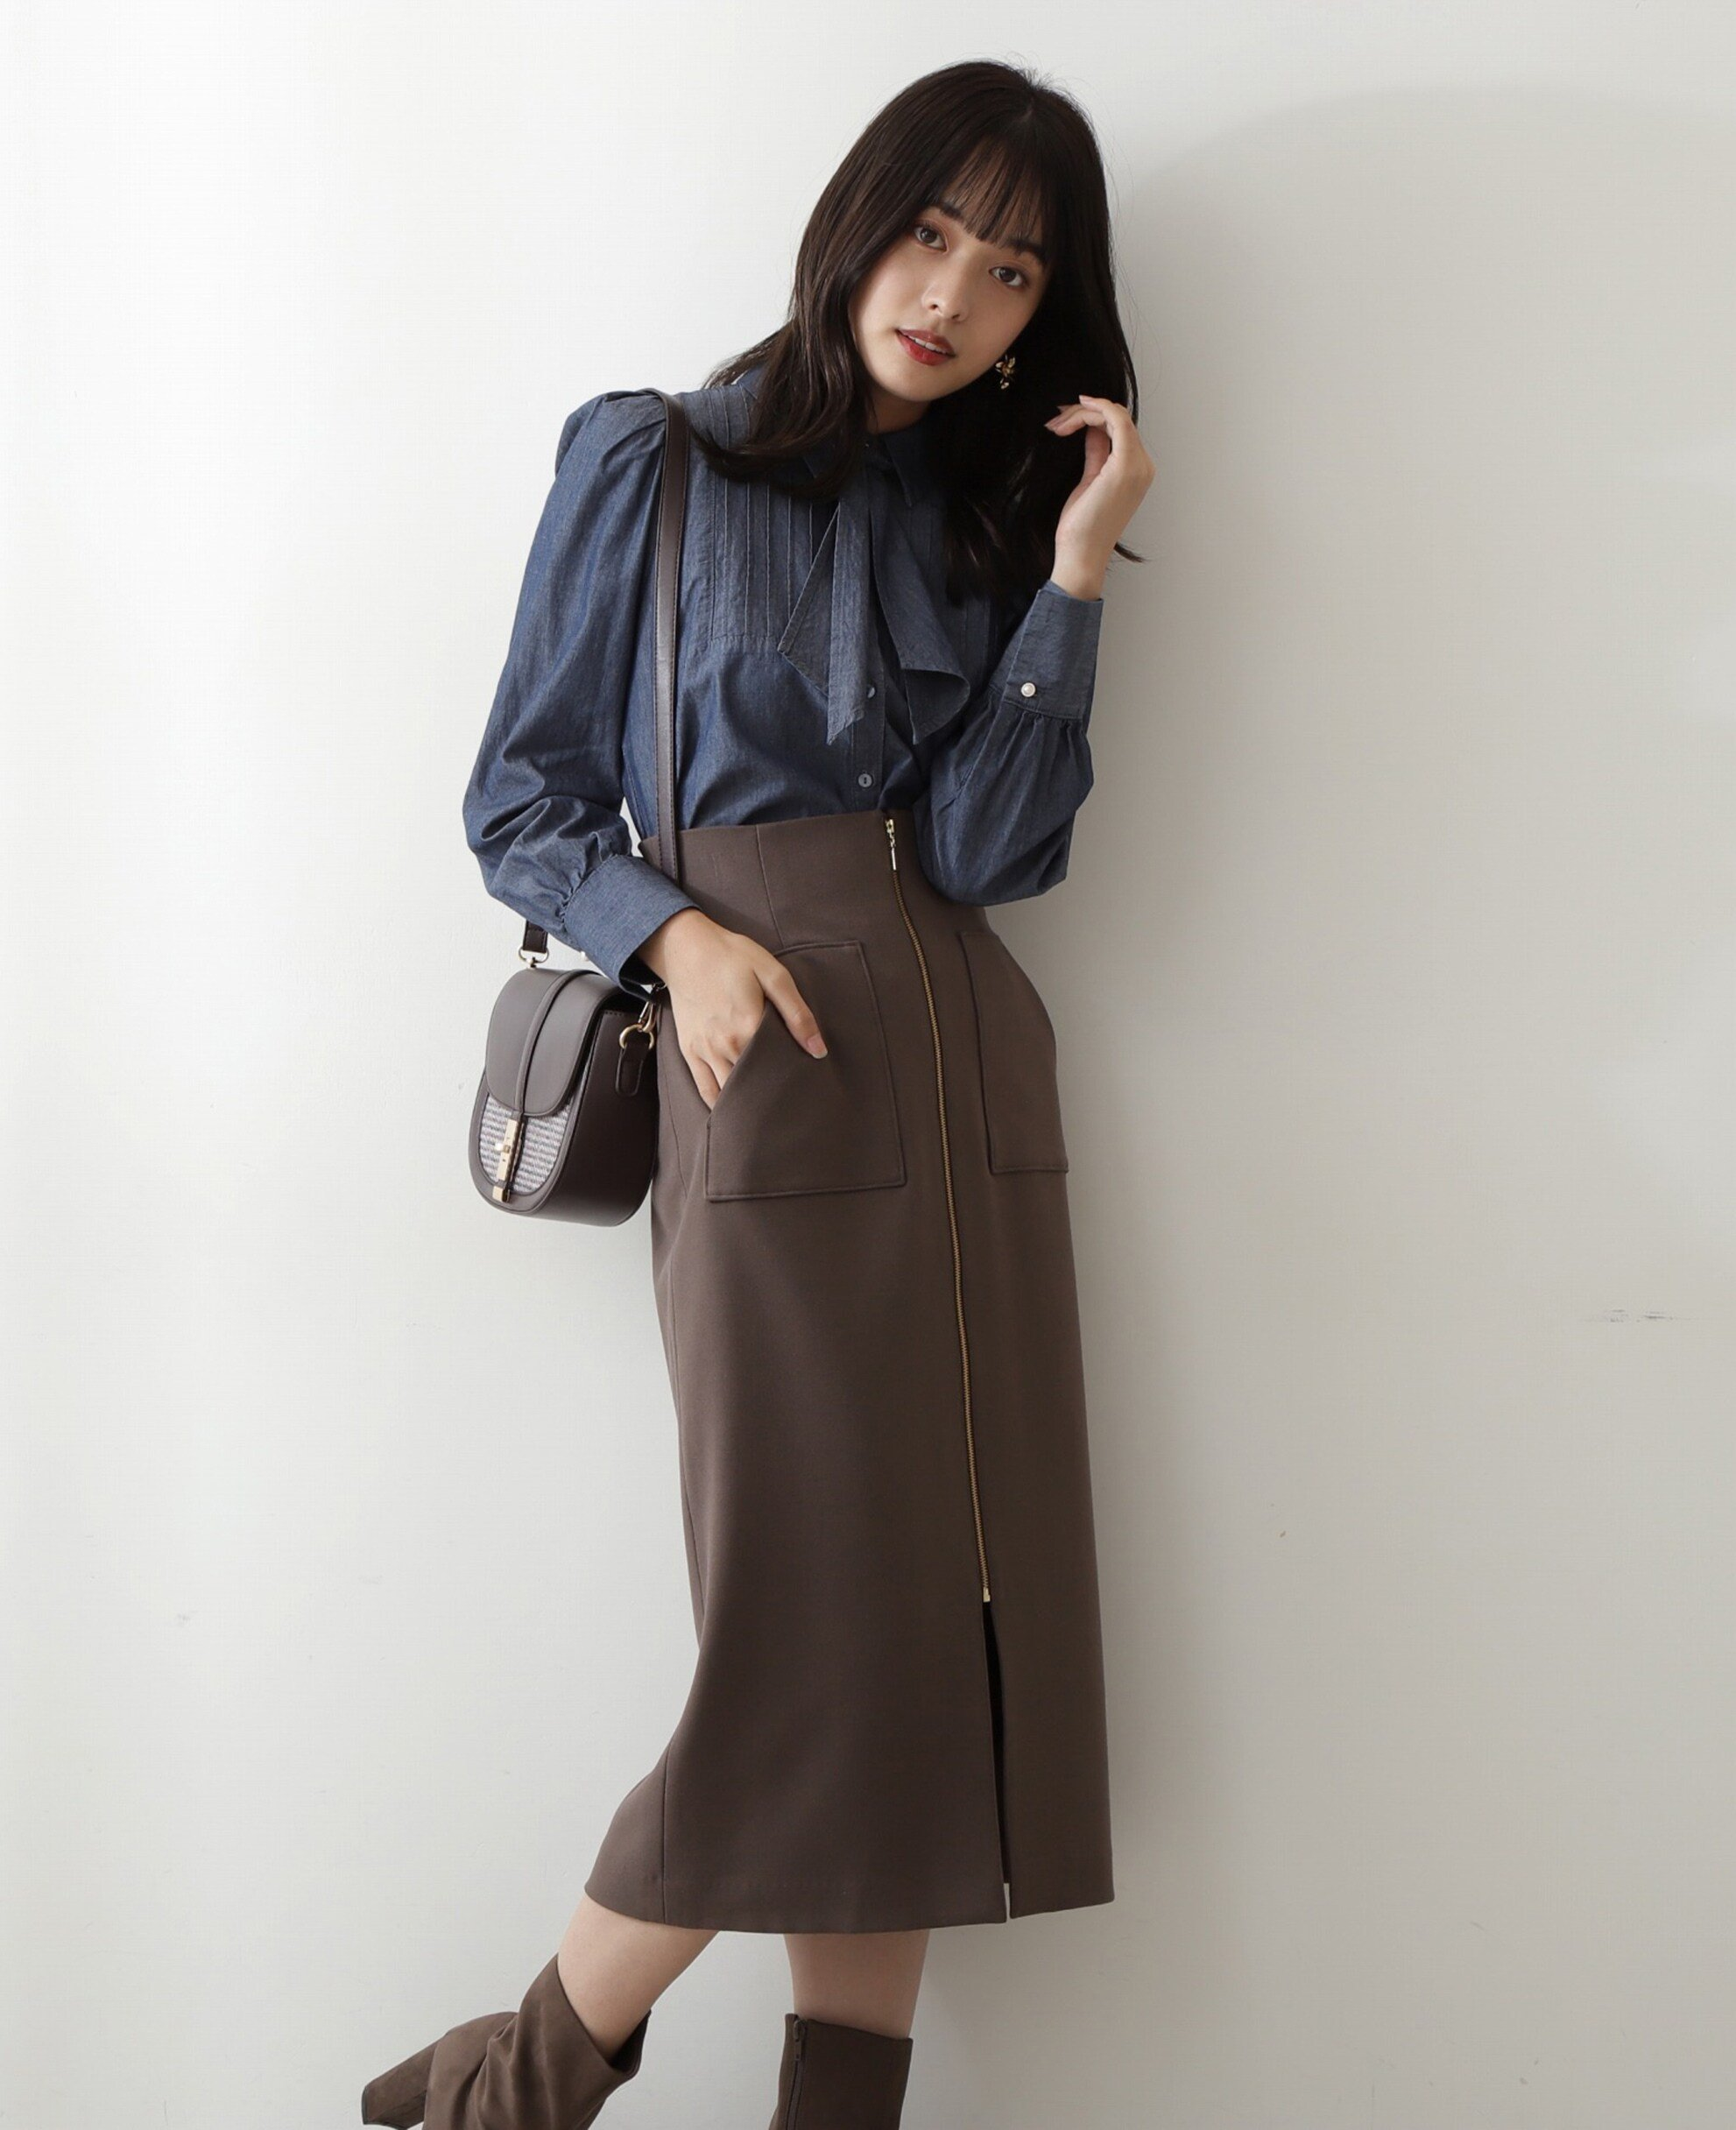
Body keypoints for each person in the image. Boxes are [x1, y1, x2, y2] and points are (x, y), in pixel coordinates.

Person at [363, 56, 1155, 2130]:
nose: (953, 294)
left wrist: (1073, 570)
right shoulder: (655, 458)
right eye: (929, 233)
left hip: (963, 1066)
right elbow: (519, 797)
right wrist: (674, 937)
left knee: (938, 1646)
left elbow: (989, 850)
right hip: (763, 1067)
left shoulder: (984, 513)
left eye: (1011, 270)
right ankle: (514, 2084)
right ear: (855, 224)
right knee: (809, 1640)